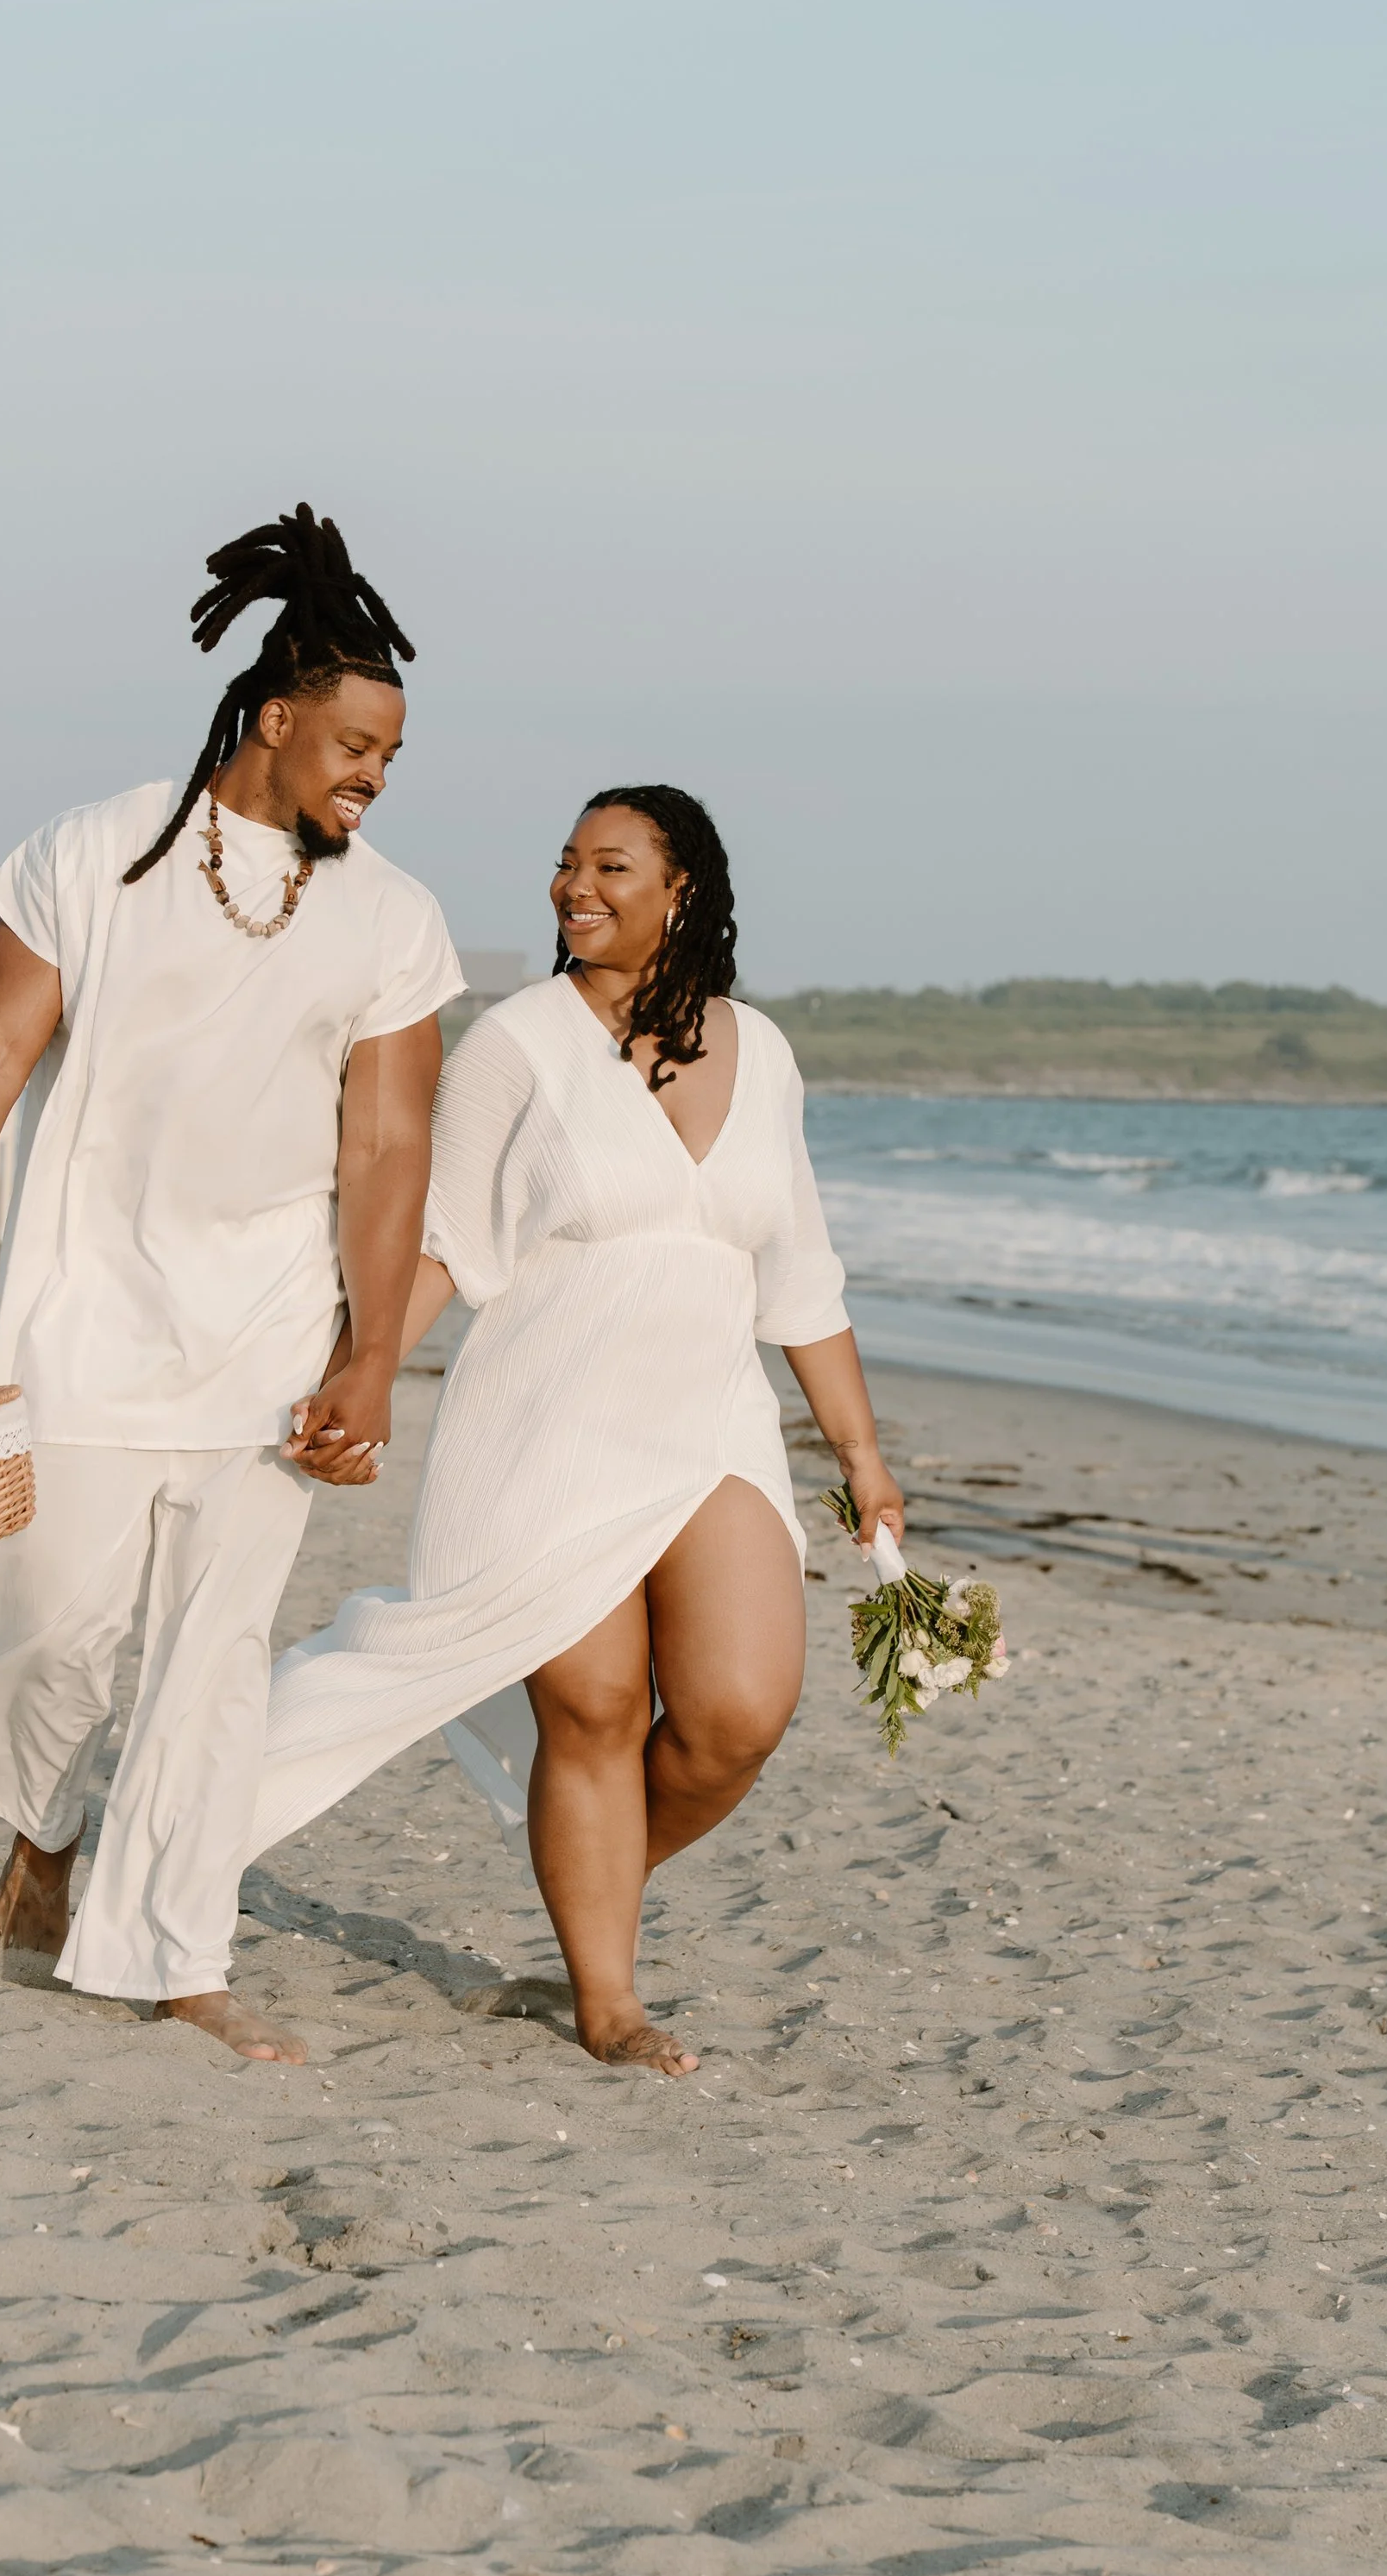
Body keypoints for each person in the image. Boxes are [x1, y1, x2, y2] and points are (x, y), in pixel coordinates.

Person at [0, 507, 462, 2062]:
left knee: (213, 1654)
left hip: (269, 1336)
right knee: (47, 1623)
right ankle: (44, 1823)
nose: (375, 775)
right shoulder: (94, 850)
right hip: (84, 1313)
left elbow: (390, 1150)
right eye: (357, 744)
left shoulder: (394, 918)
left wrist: (372, 1353)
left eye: (392, 754)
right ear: (273, 719)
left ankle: (176, 1953)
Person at [251, 784, 904, 2076]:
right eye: (564, 866)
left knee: (736, 1713)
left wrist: (863, 1456)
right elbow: (442, 1238)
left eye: (611, 865)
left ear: (685, 892)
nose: (574, 887)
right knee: (595, 1713)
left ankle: (587, 1870)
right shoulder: (520, 1040)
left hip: (713, 1418)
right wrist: (365, 1370)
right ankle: (608, 1996)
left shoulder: (760, 1051)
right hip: (546, 1419)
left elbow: (803, 1272)